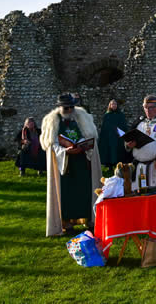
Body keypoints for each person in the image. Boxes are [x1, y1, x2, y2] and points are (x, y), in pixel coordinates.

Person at [41, 94, 103, 236]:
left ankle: (88, 220)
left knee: (85, 192)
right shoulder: (52, 121)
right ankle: (66, 223)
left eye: (71, 107)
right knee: (66, 195)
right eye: (66, 108)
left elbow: (90, 137)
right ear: (60, 107)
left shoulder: (83, 118)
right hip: (65, 166)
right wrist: (65, 151)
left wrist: (84, 146)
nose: (69, 110)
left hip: (82, 162)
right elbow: (51, 145)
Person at [98, 99, 128, 172]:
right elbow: (105, 127)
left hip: (118, 136)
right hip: (109, 137)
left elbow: (123, 125)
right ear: (110, 105)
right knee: (110, 151)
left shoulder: (120, 115)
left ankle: (118, 165)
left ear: (117, 105)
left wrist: (121, 131)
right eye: (112, 104)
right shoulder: (107, 115)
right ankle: (110, 166)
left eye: (115, 104)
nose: (114, 105)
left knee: (118, 150)